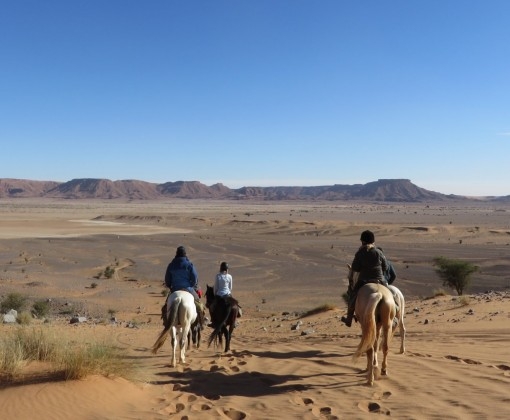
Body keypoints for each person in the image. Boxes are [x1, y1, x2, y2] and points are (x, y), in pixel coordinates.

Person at [341, 230, 387, 327]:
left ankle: (349, 319)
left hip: (364, 281)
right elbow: (385, 267)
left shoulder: (360, 253)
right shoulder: (379, 252)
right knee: (390, 293)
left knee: (353, 296)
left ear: (362, 242)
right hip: (380, 280)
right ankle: (395, 314)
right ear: (373, 241)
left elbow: (355, 268)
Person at [164, 245, 204, 325]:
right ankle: (201, 323)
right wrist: (191, 285)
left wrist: (170, 286)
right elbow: (194, 277)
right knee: (199, 304)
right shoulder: (189, 265)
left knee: (165, 306)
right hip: (188, 289)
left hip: (175, 289)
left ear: (176, 254)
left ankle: (165, 322)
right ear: (185, 254)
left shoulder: (171, 265)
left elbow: (167, 279)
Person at [209, 261, 241, 327]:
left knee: (211, 307)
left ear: (221, 268)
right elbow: (230, 287)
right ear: (227, 269)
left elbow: (216, 287)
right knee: (236, 305)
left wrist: (215, 294)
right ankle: (235, 321)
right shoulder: (230, 276)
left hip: (219, 295)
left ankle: (213, 321)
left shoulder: (218, 276)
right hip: (228, 294)